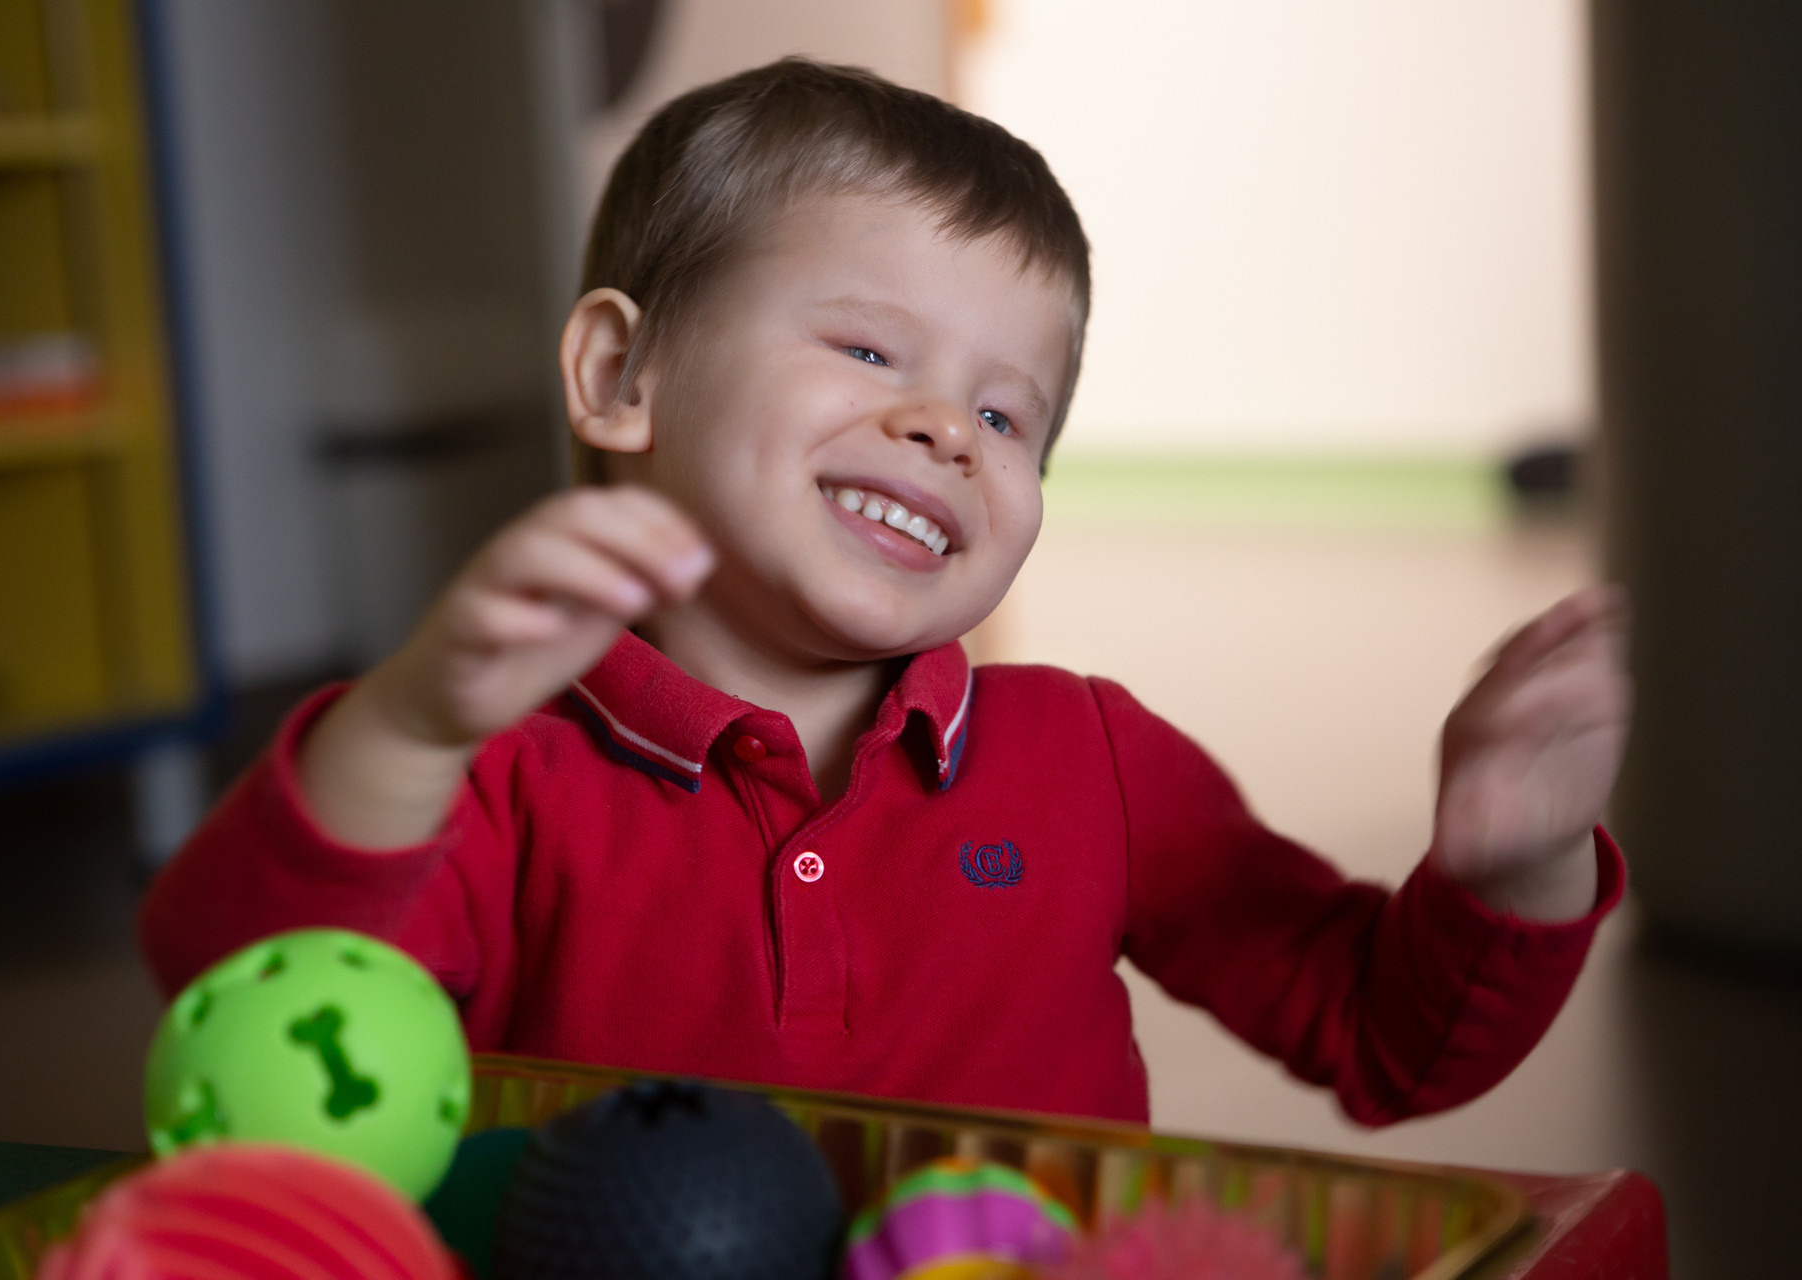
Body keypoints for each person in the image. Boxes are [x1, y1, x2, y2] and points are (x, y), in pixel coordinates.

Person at [140, 59, 1630, 1126]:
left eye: (1007, 417)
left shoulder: (1092, 763)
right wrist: (405, 732)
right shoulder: (499, 767)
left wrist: (1516, 871)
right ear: (620, 374)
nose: (943, 429)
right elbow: (233, 999)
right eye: (867, 351)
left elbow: (1381, 1038)